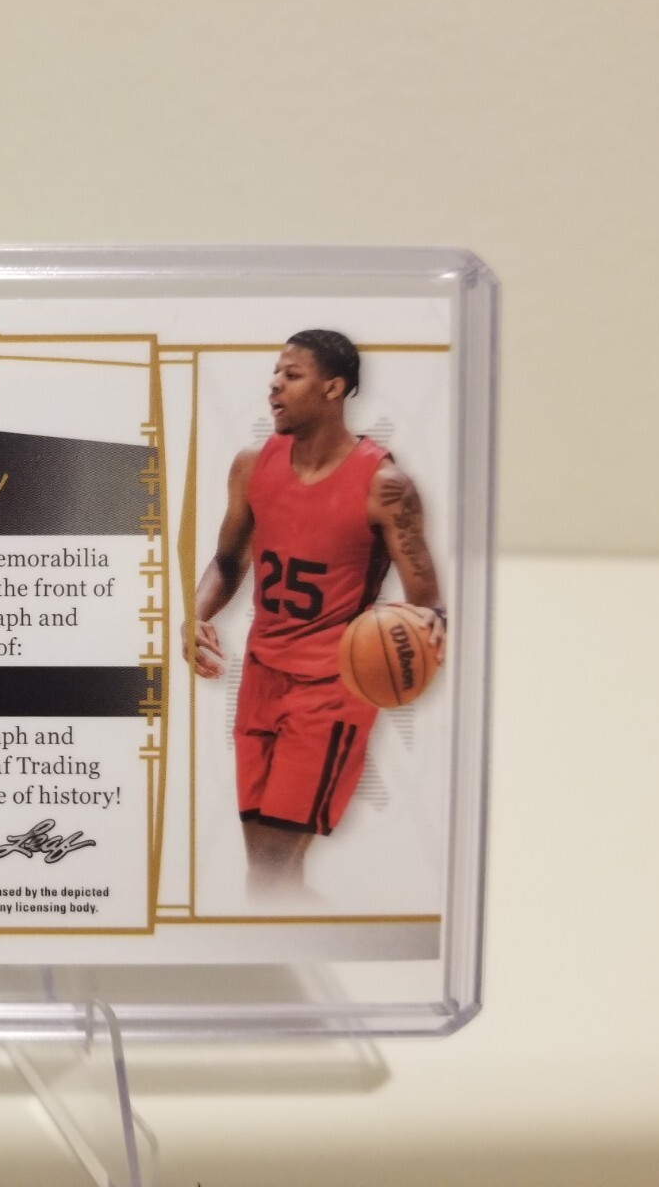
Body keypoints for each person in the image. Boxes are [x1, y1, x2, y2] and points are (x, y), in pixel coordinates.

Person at [182, 330, 446, 899]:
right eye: (274, 374)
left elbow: (427, 601)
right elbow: (227, 561)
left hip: (331, 688)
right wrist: (194, 616)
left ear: (333, 388)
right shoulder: (252, 465)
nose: (274, 386)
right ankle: (303, 944)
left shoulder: (385, 485)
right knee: (265, 867)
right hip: (261, 678)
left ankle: (289, 948)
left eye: (291, 375)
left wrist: (413, 649)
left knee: (271, 864)